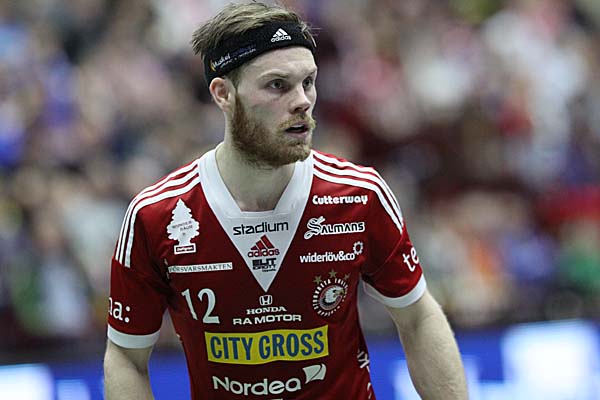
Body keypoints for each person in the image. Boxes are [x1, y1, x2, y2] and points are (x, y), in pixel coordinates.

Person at [103, 2, 468, 399]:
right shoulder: (156, 216)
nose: (302, 101)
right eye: (277, 85)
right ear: (223, 94)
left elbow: (417, 317)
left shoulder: (360, 195)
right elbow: (126, 356)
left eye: (308, 82)